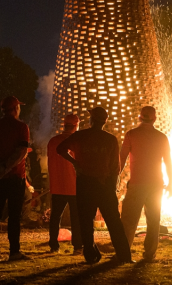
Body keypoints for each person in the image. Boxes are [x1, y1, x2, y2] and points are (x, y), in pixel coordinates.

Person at [57, 106, 132, 264]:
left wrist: (75, 163)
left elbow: (60, 149)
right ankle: (124, 255)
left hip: (85, 183)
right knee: (114, 221)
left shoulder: (80, 136)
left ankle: (90, 255)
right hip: (104, 184)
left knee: (85, 220)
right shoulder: (110, 139)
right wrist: (112, 189)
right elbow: (115, 169)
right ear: (104, 122)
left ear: (92, 120)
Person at [119, 106, 172, 262]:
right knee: (153, 220)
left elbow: (121, 159)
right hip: (156, 184)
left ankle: (124, 252)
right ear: (154, 119)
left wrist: (115, 177)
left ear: (139, 118)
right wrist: (171, 183)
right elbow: (169, 163)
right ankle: (150, 254)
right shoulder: (161, 137)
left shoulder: (131, 135)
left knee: (129, 220)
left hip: (137, 184)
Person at [0, 96, 30, 261]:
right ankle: (14, 251)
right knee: (14, 215)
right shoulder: (21, 127)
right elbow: (21, 151)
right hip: (16, 176)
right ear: (16, 109)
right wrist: (7, 166)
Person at [46, 114, 83, 254]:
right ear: (75, 125)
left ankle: (54, 246)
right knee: (76, 217)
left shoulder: (53, 141)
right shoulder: (77, 141)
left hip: (56, 185)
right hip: (74, 186)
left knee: (55, 217)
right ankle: (78, 246)